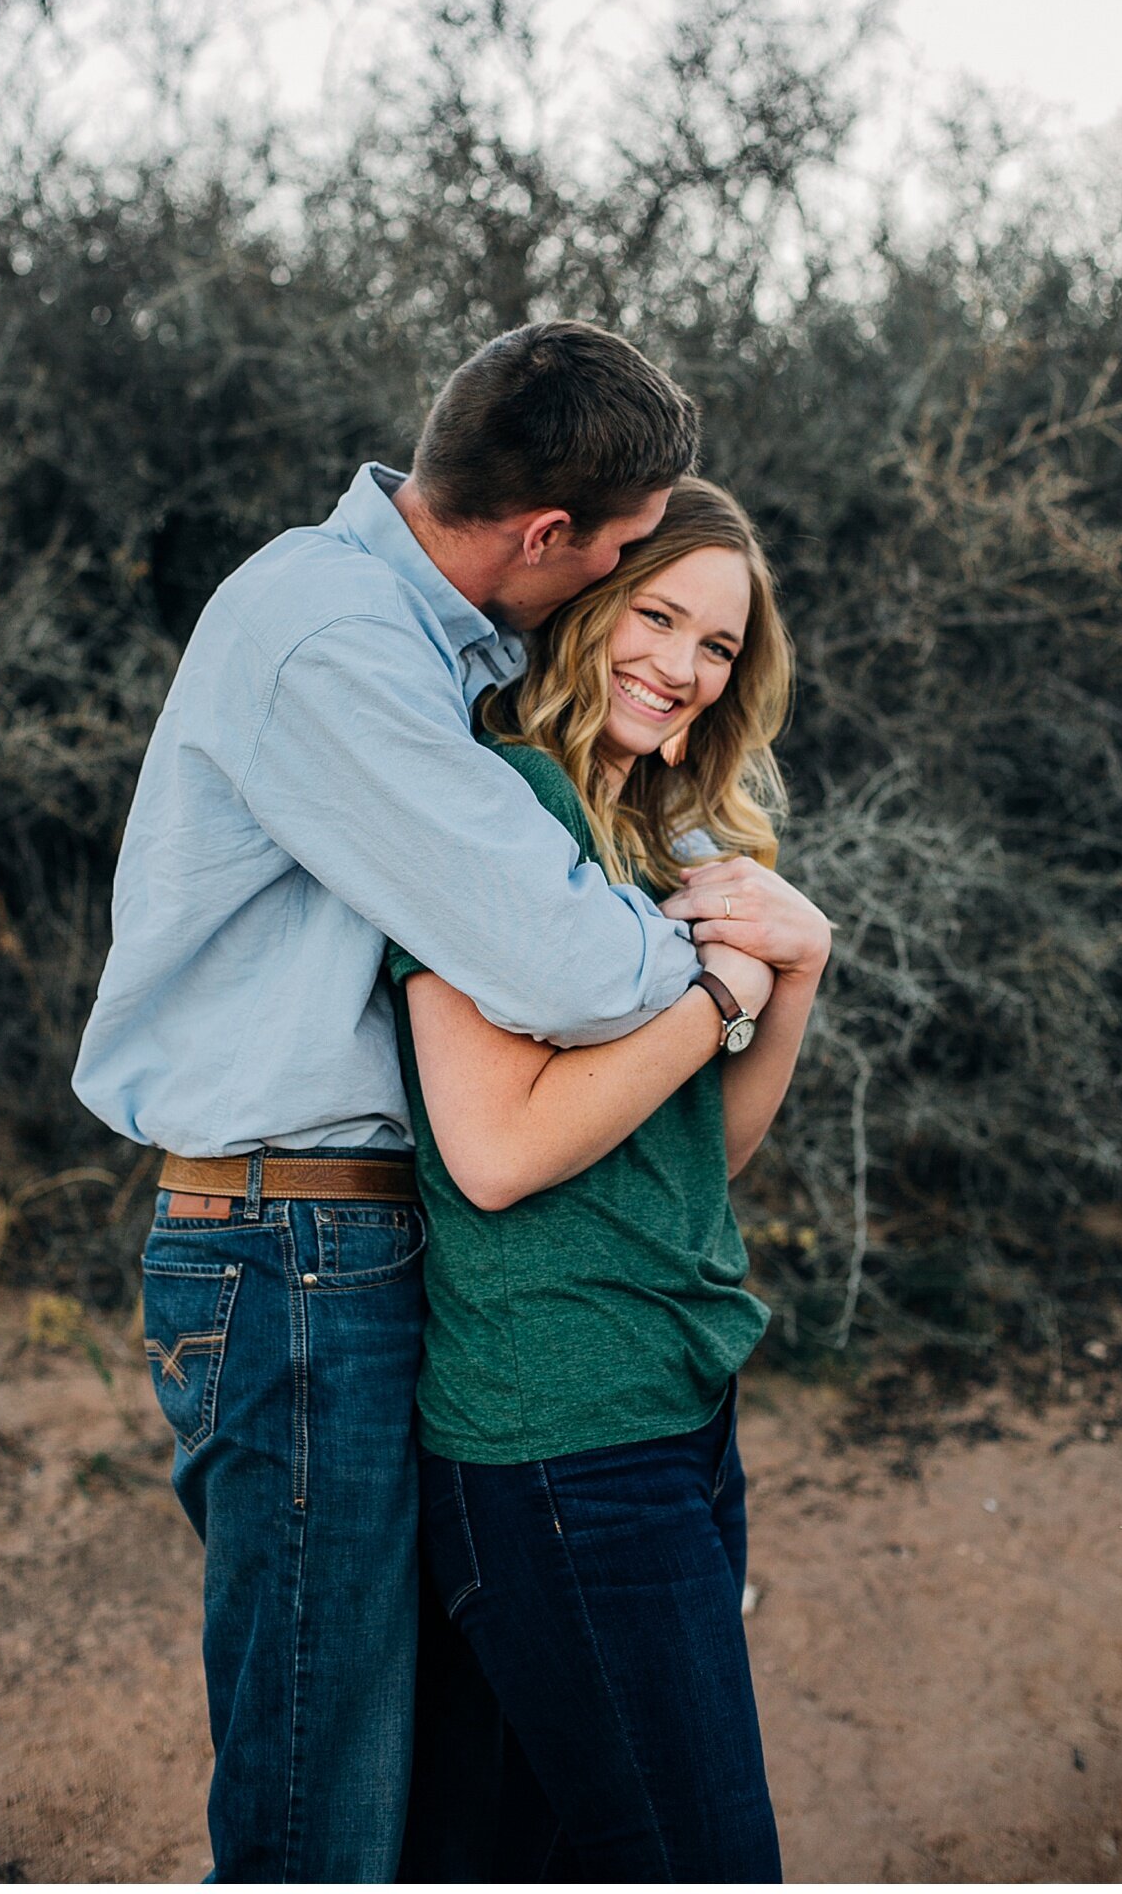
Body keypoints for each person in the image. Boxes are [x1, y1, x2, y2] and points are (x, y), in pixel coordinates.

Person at [72, 321, 726, 1883]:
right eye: (623, 556)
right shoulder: (334, 641)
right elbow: (566, 964)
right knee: (320, 1793)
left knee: (408, 1772)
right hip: (291, 1258)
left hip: (342, 1249)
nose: (614, 587)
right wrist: (721, 971)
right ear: (543, 534)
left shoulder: (413, 643)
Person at [387, 479, 832, 1883]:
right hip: (556, 1433)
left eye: (717, 645)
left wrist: (797, 972)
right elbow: (498, 1150)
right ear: (584, 608)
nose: (684, 666)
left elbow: (715, 1154)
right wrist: (716, 995)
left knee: (539, 1856)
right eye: (657, 614)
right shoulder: (495, 808)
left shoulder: (668, 834)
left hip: (682, 1403)